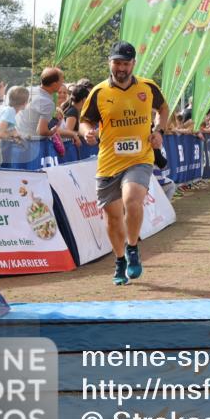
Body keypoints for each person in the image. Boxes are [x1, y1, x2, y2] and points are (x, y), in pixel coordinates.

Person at [79, 42, 170, 286]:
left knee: (132, 200)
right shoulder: (99, 92)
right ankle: (119, 259)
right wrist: (88, 133)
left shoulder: (147, 87)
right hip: (109, 162)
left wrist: (160, 130)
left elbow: (162, 107)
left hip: (140, 159)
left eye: (125, 63)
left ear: (133, 64)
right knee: (112, 216)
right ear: (110, 62)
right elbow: (84, 121)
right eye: (116, 63)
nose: (120, 68)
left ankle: (132, 248)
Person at [16, 67, 64, 140]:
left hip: (15, 139)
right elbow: (42, 131)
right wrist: (54, 131)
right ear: (54, 84)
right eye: (61, 81)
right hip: (31, 144)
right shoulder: (47, 102)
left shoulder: (28, 90)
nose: (62, 83)